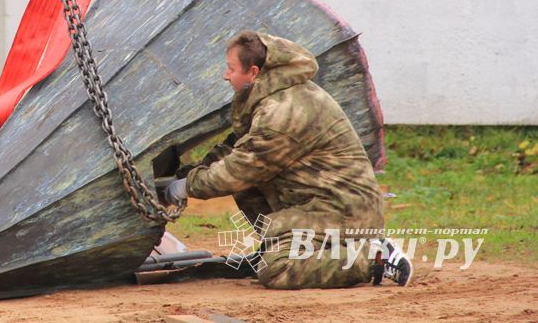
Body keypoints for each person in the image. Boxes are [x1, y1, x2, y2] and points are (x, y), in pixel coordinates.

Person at [161, 31, 413, 288]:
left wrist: (182, 188)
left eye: (231, 69)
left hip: (342, 210)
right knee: (246, 185)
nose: (226, 76)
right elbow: (237, 148)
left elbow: (240, 169)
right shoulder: (274, 95)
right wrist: (182, 176)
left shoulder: (282, 113)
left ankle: (372, 257)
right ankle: (284, 246)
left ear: (254, 72)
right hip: (319, 202)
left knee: (277, 270)